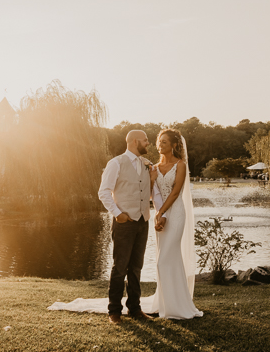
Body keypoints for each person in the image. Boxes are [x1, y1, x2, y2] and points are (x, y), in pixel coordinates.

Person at [47, 128, 202, 321]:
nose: (149, 144)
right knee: (120, 267)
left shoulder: (147, 165)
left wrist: (158, 213)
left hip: (142, 222)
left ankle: (135, 309)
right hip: (123, 222)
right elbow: (104, 192)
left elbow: (154, 193)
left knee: (136, 267)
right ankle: (114, 311)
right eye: (145, 140)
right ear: (135, 141)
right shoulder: (116, 163)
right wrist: (118, 214)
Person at [148, 128, 203, 319]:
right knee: (164, 258)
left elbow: (175, 192)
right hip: (159, 214)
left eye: (164, 142)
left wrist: (163, 212)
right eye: (159, 141)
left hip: (176, 213)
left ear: (173, 145)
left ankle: (177, 307)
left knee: (166, 257)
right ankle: (166, 302)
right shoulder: (153, 168)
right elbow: (152, 194)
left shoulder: (181, 165)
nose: (160, 145)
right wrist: (158, 213)